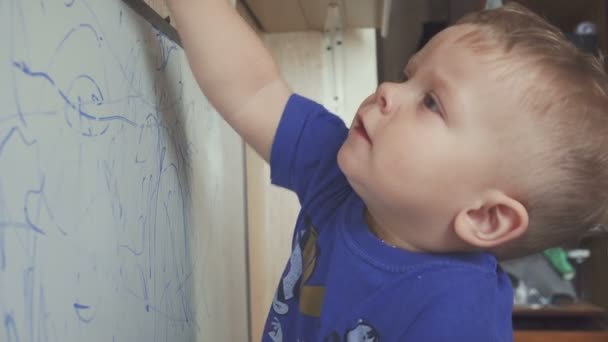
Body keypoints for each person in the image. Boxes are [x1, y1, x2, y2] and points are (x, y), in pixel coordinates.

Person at [167, 1, 608, 340]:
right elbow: (254, 91)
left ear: (485, 217)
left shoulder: (457, 319)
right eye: (407, 75)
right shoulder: (342, 177)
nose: (386, 90)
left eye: (432, 102)